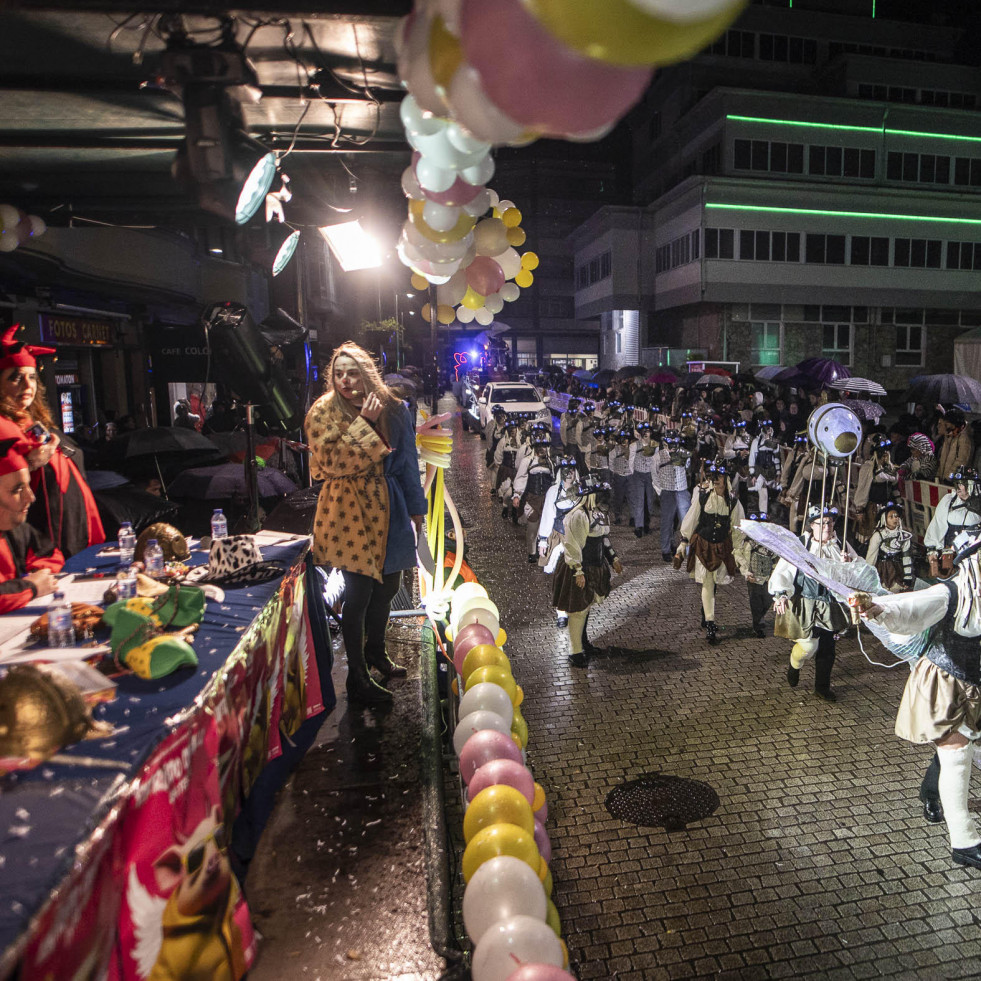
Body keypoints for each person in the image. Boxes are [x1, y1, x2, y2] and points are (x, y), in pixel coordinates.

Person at [304, 342, 427, 707]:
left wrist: (416, 509)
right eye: (338, 373)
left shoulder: (393, 407)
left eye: (353, 372)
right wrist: (364, 424)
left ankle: (375, 652)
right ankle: (356, 677)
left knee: (389, 585)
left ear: (367, 373)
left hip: (389, 503)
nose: (345, 380)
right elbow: (330, 463)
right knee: (358, 593)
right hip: (346, 507)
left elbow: (406, 461)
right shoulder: (323, 411)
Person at [851, 536, 981, 869]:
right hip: (947, 682)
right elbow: (912, 605)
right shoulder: (953, 591)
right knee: (957, 757)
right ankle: (964, 842)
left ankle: (930, 791)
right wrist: (876, 607)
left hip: (976, 682)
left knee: (960, 752)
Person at [0, 325, 105, 558]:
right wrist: (31, 464)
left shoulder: (36, 424)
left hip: (76, 534)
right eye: (15, 378)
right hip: (39, 548)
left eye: (32, 377)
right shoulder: (3, 429)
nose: (28, 386)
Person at [769, 504, 856, 701]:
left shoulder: (840, 545)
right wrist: (781, 594)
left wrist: (848, 564)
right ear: (812, 525)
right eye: (822, 523)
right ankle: (795, 664)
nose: (827, 526)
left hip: (831, 605)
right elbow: (784, 571)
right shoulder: (801, 545)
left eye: (830, 522)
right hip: (806, 603)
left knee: (827, 648)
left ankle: (822, 687)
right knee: (808, 646)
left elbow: (858, 571)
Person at [551, 478, 622, 668]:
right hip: (580, 568)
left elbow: (603, 538)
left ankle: (583, 644)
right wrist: (578, 571)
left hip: (594, 566)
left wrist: (613, 557)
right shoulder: (578, 516)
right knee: (578, 609)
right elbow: (572, 545)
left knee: (586, 606)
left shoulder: (596, 513)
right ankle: (575, 652)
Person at [676, 461, 746, 645]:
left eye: (719, 477)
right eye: (713, 477)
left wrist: (739, 554)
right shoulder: (703, 497)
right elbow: (692, 520)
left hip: (721, 548)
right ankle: (710, 623)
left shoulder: (733, 503)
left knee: (713, 584)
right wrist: (683, 543)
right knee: (707, 584)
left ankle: (706, 613)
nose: (715, 481)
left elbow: (738, 529)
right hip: (704, 546)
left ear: (726, 479)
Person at [0, 435, 62, 613]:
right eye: (18, 490)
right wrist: (31, 586)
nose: (31, 498)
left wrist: (39, 573)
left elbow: (49, 554)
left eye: (28, 486)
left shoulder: (16, 528)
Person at [924, 468, 981, 578]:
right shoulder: (949, 500)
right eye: (957, 483)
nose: (958, 487)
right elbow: (937, 524)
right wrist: (932, 551)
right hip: (950, 556)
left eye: (962, 484)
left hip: (974, 556)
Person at [654, 428, 692, 563]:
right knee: (666, 522)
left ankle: (687, 550)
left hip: (682, 490)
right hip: (667, 491)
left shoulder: (683, 454)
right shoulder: (658, 456)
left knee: (686, 522)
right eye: (670, 442)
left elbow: (687, 467)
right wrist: (661, 491)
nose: (673, 445)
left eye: (675, 442)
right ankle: (665, 549)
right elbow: (654, 475)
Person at [740, 511, 778, 638]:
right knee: (755, 602)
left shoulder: (772, 543)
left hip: (768, 577)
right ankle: (757, 625)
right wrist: (746, 572)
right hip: (754, 578)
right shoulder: (749, 543)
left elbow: (776, 559)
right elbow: (743, 558)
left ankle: (760, 618)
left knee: (767, 600)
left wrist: (775, 572)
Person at [865, 501, 914, 591]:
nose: (894, 519)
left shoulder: (904, 536)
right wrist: (868, 574)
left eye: (896, 516)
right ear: (884, 519)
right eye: (891, 517)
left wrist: (908, 576)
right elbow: (872, 555)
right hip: (883, 568)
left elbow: (906, 556)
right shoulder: (879, 535)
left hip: (898, 568)